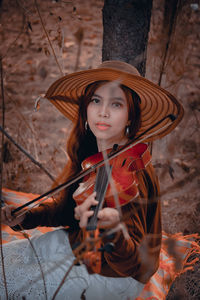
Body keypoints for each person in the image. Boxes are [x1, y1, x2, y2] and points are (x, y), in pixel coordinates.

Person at [0, 61, 184, 300]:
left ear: (130, 117)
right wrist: (28, 216)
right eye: (96, 101)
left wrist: (114, 232)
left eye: (116, 104)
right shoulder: (92, 155)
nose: (103, 112)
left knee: (18, 288)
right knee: (6, 264)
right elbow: (68, 208)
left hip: (114, 276)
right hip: (82, 244)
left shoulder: (130, 173)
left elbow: (133, 265)